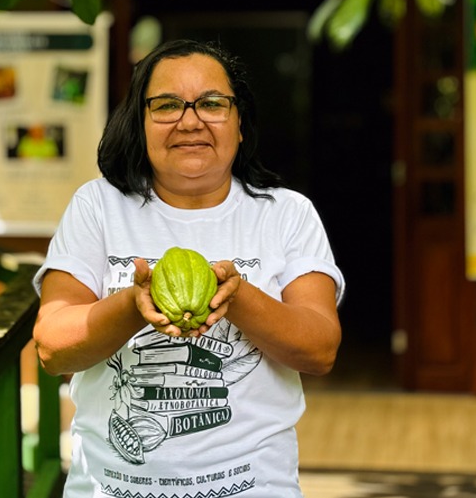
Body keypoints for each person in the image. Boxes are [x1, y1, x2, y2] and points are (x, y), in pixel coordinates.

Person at [33, 39, 344, 497]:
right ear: (139, 123)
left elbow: (320, 350)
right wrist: (133, 305)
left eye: (212, 103)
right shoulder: (98, 206)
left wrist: (238, 296)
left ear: (240, 123)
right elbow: (52, 348)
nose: (191, 120)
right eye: (167, 105)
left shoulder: (286, 213)